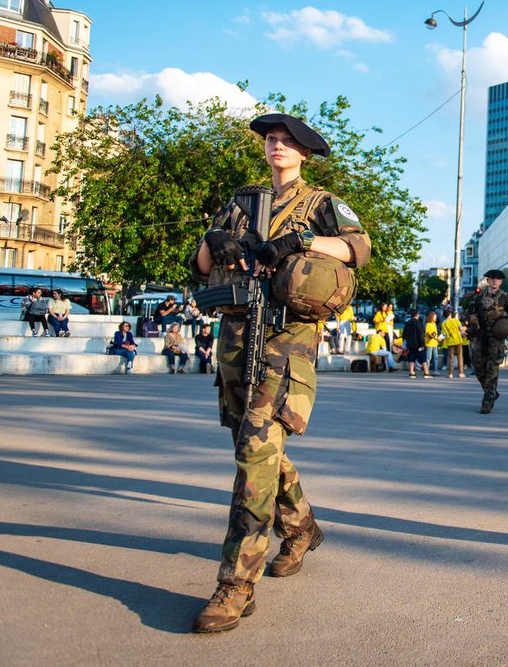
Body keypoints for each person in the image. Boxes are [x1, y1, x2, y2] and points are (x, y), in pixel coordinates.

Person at [188, 112, 371, 634]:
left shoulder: (320, 204)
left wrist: (301, 243)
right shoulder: (241, 202)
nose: (277, 146)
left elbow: (359, 249)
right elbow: (201, 266)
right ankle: (302, 527)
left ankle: (236, 584)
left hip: (287, 341)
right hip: (236, 338)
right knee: (259, 449)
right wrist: (214, 240)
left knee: (254, 452)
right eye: (271, 140)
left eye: (287, 142)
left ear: (304, 153)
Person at [464, 269, 508, 413]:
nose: (495, 281)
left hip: (496, 338)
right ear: (487, 280)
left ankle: (487, 401)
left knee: (492, 369)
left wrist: (501, 313)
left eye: (498, 279)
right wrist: (472, 318)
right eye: (492, 278)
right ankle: (492, 392)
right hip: (479, 336)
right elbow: (468, 313)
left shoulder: (506, 298)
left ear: (501, 282)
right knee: (478, 368)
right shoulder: (478, 298)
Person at [403, 308, 430, 379]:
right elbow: (420, 335)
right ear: (417, 314)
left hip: (410, 344)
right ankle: (426, 373)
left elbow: (404, 334)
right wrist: (422, 345)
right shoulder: (418, 323)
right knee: (423, 358)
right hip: (418, 344)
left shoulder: (408, 323)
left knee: (411, 358)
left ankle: (412, 373)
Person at [441, 309, 465, 378]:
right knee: (459, 356)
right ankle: (461, 373)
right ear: (450, 314)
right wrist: (465, 330)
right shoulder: (456, 320)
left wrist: (439, 339)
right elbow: (461, 329)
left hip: (450, 341)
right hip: (458, 340)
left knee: (450, 358)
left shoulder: (443, 323)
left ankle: (450, 374)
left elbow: (444, 334)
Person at [423, 310, 442, 375]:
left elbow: (434, 334)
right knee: (428, 358)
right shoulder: (428, 324)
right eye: (435, 316)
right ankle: (427, 371)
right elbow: (428, 334)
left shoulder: (434, 324)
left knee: (435, 357)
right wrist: (436, 338)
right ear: (432, 317)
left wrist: (438, 339)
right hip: (429, 343)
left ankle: (435, 370)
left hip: (435, 343)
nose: (436, 317)